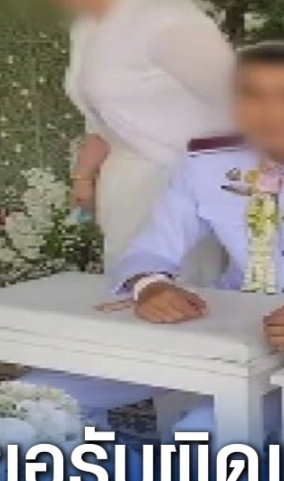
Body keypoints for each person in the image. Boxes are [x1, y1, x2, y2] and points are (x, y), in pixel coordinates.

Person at [36, 37, 284, 435]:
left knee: (198, 440)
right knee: (35, 400)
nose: (270, 113)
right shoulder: (209, 163)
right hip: (230, 328)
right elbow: (150, 249)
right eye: (251, 95)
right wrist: (151, 287)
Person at [60, 0, 231, 282]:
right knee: (128, 282)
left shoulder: (170, 19)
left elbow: (236, 102)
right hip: (122, 181)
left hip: (179, 178)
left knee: (183, 284)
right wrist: (83, 178)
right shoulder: (86, 26)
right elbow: (100, 120)